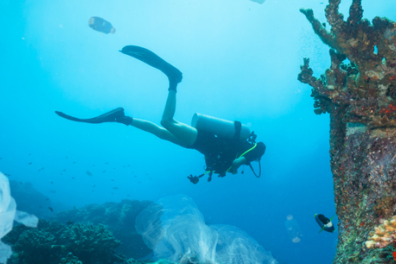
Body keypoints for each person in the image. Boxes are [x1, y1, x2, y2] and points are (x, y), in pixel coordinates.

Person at [55, 45, 266, 183]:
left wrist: (203, 175)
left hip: (198, 145)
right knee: (166, 121)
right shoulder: (255, 151)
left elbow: (222, 162)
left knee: (161, 132)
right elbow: (238, 162)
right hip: (204, 140)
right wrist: (235, 167)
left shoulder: (247, 151)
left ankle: (122, 117)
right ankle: (173, 80)